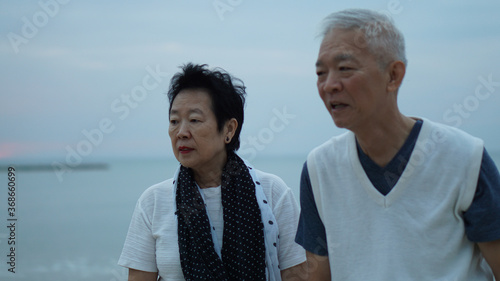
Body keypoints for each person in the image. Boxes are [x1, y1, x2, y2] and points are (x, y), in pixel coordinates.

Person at [295, 8, 500, 280]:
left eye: (345, 69)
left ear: (393, 75)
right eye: (321, 73)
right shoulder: (320, 168)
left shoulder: (464, 158)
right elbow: (318, 274)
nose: (329, 85)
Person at [118, 63, 306, 280]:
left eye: (194, 120)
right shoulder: (153, 202)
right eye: (174, 121)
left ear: (228, 129)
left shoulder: (272, 192)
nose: (181, 132)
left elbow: (297, 275)